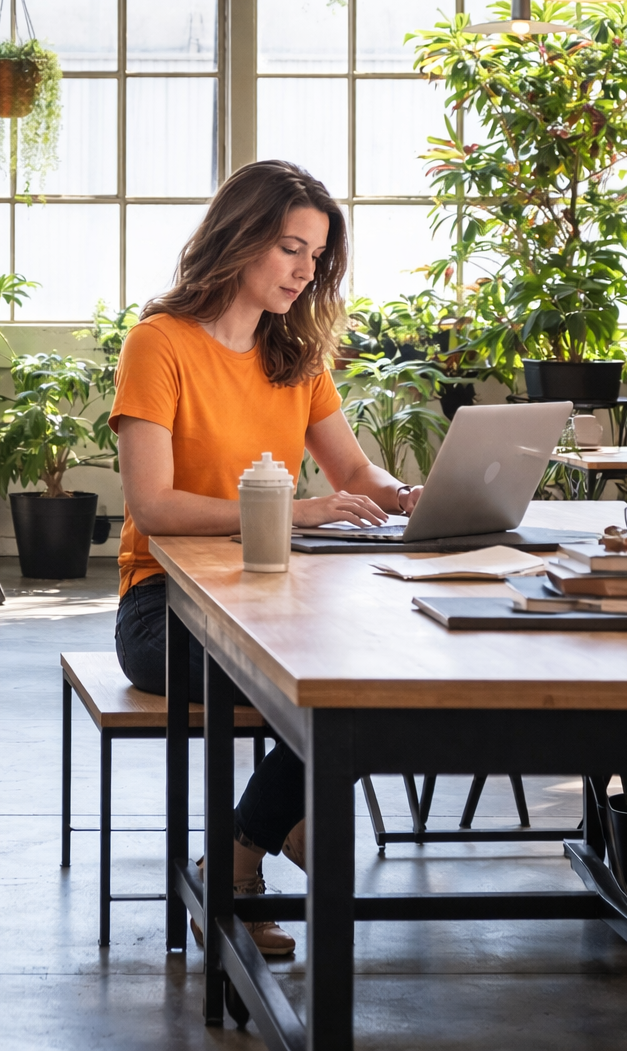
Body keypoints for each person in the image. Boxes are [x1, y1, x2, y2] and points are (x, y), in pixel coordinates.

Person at [110, 160, 423, 957]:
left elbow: (355, 472)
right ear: (240, 237)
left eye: (316, 256)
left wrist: (402, 494)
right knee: (306, 681)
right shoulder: (160, 344)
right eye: (290, 247)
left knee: (362, 666)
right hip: (165, 606)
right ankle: (263, 845)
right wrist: (299, 512)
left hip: (272, 598)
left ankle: (238, 854)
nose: (304, 270)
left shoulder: (295, 357)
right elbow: (154, 506)